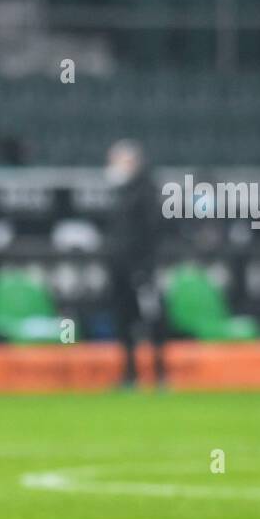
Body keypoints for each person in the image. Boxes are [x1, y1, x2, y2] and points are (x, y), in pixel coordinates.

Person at [104, 139, 166, 387]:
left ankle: (160, 374)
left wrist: (143, 268)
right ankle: (130, 375)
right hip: (121, 271)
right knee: (124, 323)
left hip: (141, 270)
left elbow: (151, 233)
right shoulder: (119, 194)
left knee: (152, 321)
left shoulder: (146, 192)